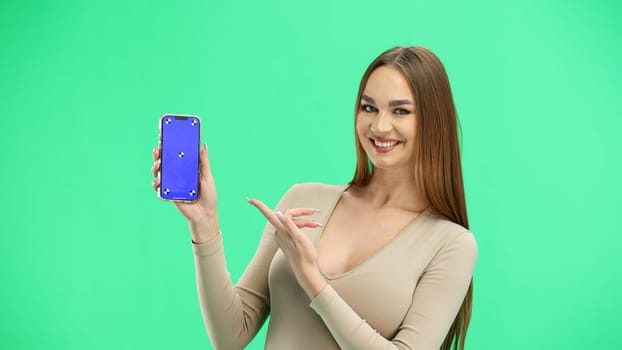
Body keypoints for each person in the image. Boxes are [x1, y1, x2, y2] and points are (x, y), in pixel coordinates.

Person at [151, 46, 478, 350]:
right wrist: (204, 223)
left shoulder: (450, 243)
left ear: (434, 121)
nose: (379, 125)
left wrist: (312, 280)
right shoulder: (303, 197)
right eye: (369, 107)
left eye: (401, 111)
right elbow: (230, 335)